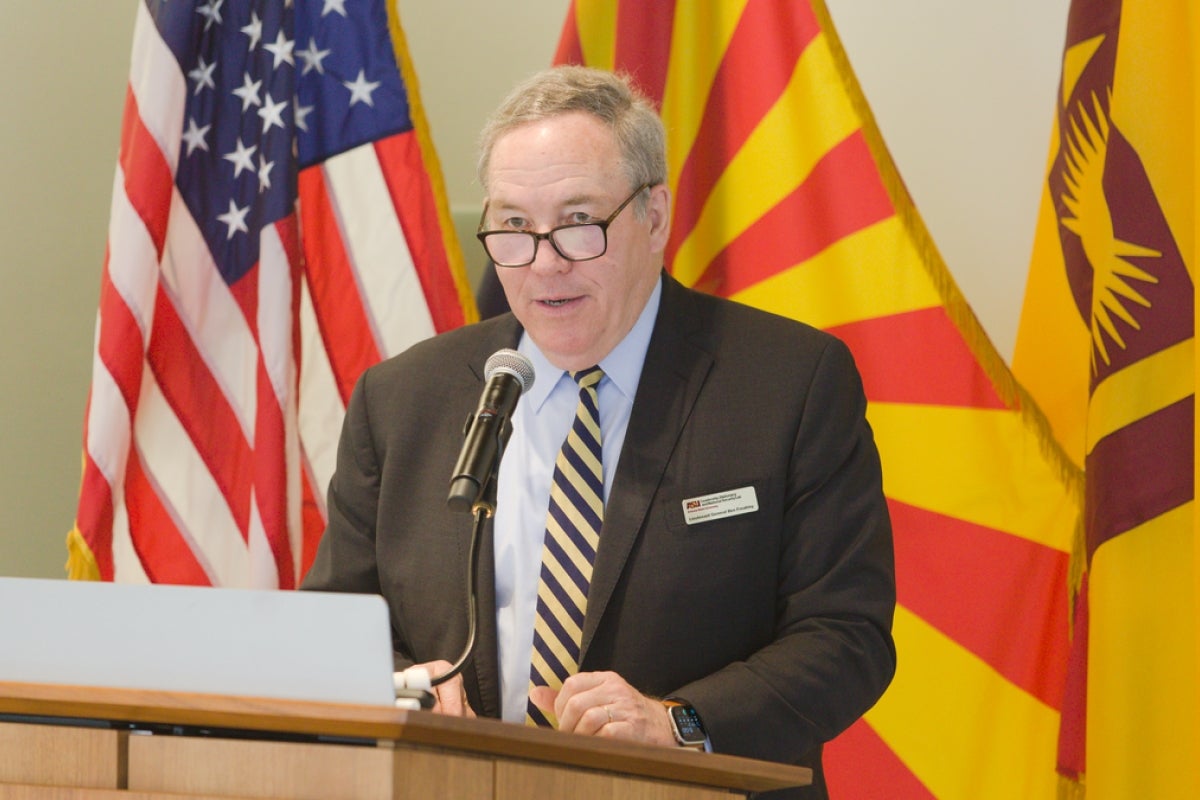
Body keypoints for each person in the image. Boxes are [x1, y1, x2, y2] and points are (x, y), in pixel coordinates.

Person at [302, 65, 896, 798]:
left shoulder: (789, 384)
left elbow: (846, 636)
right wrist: (402, 687)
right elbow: (338, 626)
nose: (545, 263)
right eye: (515, 227)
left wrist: (678, 722)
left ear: (654, 215)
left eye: (579, 223)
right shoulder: (402, 399)